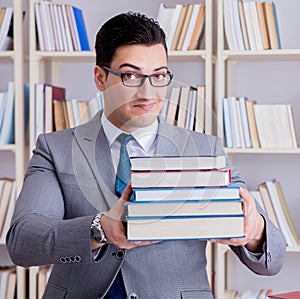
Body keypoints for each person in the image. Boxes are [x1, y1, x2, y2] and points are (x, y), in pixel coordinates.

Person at [7, 12, 286, 299]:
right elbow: (23, 241)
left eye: (159, 75)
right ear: (100, 78)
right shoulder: (56, 149)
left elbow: (271, 260)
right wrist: (99, 229)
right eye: (131, 75)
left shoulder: (204, 150)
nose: (148, 91)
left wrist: (255, 232)